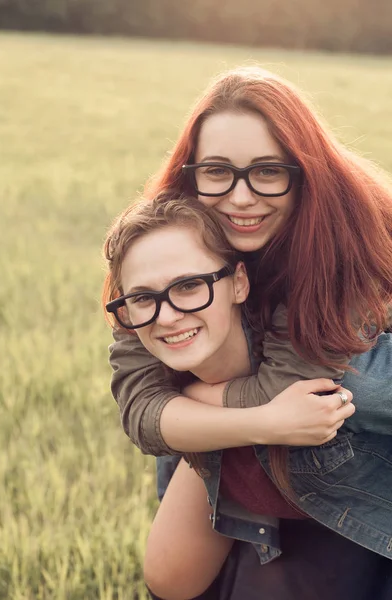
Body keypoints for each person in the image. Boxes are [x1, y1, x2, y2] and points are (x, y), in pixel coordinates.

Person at [107, 66, 392, 598]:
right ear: (192, 172)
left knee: (366, 389)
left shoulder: (343, 236)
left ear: (302, 170)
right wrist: (253, 418)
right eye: (217, 171)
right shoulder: (168, 235)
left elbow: (295, 389)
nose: (240, 198)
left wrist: (192, 394)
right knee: (173, 578)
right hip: (253, 407)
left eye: (267, 171)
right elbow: (141, 405)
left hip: (345, 413)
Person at [103, 196, 359, 599]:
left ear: (239, 282)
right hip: (250, 475)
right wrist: (269, 422)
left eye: (189, 286)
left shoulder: (313, 335)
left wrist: (195, 397)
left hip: (353, 506)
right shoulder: (139, 334)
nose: (166, 316)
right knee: (170, 579)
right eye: (143, 298)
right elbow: (141, 416)